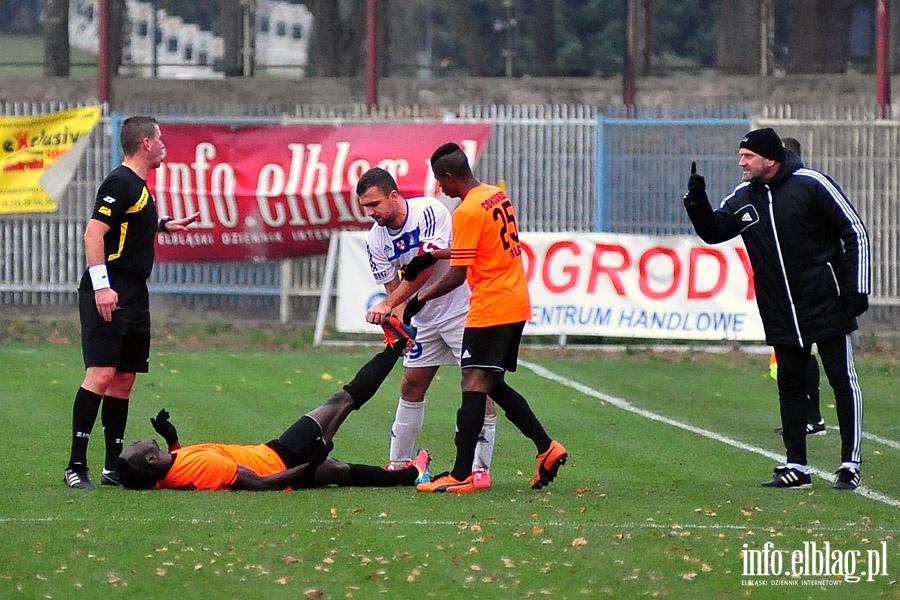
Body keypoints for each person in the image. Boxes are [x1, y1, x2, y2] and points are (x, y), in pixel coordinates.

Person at [683, 127, 870, 490]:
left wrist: (856, 288)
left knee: (842, 380)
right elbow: (714, 232)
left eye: (747, 157)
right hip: (780, 310)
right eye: (741, 156)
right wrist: (697, 202)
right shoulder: (743, 197)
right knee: (789, 385)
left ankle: (850, 464)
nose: (741, 162)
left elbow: (855, 231)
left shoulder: (812, 184)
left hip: (826, 301)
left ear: (769, 159)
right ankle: (796, 467)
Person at [399, 142, 567, 494]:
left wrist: (418, 299)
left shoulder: (466, 211)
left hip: (491, 306)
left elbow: (458, 275)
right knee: (493, 384)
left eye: (440, 182)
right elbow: (478, 247)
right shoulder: (493, 195)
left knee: (473, 386)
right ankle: (546, 447)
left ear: (449, 176)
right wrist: (431, 256)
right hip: (514, 299)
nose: (440, 190)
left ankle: (461, 473)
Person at [64, 115, 201, 489]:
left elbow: (132, 223)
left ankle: (113, 466)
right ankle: (76, 465)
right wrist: (102, 287)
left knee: (123, 379)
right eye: (159, 139)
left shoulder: (140, 187)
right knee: (101, 374)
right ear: (145, 143)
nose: (163, 144)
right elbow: (94, 234)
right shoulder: (120, 181)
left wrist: (163, 225)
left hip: (135, 293)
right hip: (110, 290)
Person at [115, 335, 431, 491]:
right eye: (136, 447)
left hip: (280, 457)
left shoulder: (164, 473)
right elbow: (262, 485)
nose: (136, 440)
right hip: (285, 460)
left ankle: (413, 474)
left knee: (342, 470)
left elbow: (178, 469)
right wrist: (309, 462)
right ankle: (395, 347)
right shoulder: (205, 465)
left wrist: (171, 440)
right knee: (343, 401)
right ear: (151, 460)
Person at [357, 167, 498, 489]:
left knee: (475, 386)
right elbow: (394, 289)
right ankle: (398, 464)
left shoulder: (429, 211)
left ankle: (479, 469)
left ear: (394, 195)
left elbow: (426, 266)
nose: (371, 213)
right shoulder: (375, 240)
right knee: (411, 385)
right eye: (365, 207)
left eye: (375, 204)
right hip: (424, 318)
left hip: (460, 311)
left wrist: (386, 305)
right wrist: (399, 327)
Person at [769, 137, 825, 438]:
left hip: (808, 285)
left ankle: (813, 418)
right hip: (787, 286)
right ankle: (808, 417)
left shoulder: (807, 188)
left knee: (805, 350)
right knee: (796, 351)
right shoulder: (775, 193)